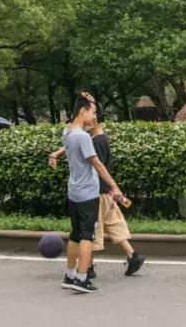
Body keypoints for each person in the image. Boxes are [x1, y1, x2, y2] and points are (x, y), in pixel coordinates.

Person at [49, 110, 144, 279]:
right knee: (114, 224)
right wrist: (57, 153)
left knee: (92, 231)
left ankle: (88, 267)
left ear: (94, 120)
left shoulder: (96, 142)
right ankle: (133, 256)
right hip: (106, 191)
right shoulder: (98, 138)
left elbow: (97, 166)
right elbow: (76, 141)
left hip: (97, 193)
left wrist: (112, 188)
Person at [59, 93, 124, 294]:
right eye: (93, 112)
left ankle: (69, 275)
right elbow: (97, 164)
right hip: (88, 193)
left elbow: (85, 121)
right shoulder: (83, 137)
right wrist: (115, 187)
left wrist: (91, 101)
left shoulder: (67, 132)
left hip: (74, 191)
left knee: (75, 234)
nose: (94, 117)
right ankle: (81, 278)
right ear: (83, 111)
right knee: (87, 235)